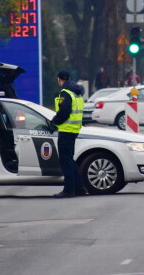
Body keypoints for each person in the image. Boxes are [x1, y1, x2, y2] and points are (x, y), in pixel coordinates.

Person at [51, 70, 87, 198]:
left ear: (59, 79)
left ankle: (69, 190)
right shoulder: (76, 93)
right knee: (70, 160)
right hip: (74, 129)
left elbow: (64, 111)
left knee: (66, 161)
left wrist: (53, 123)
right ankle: (80, 187)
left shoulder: (65, 93)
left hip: (66, 130)